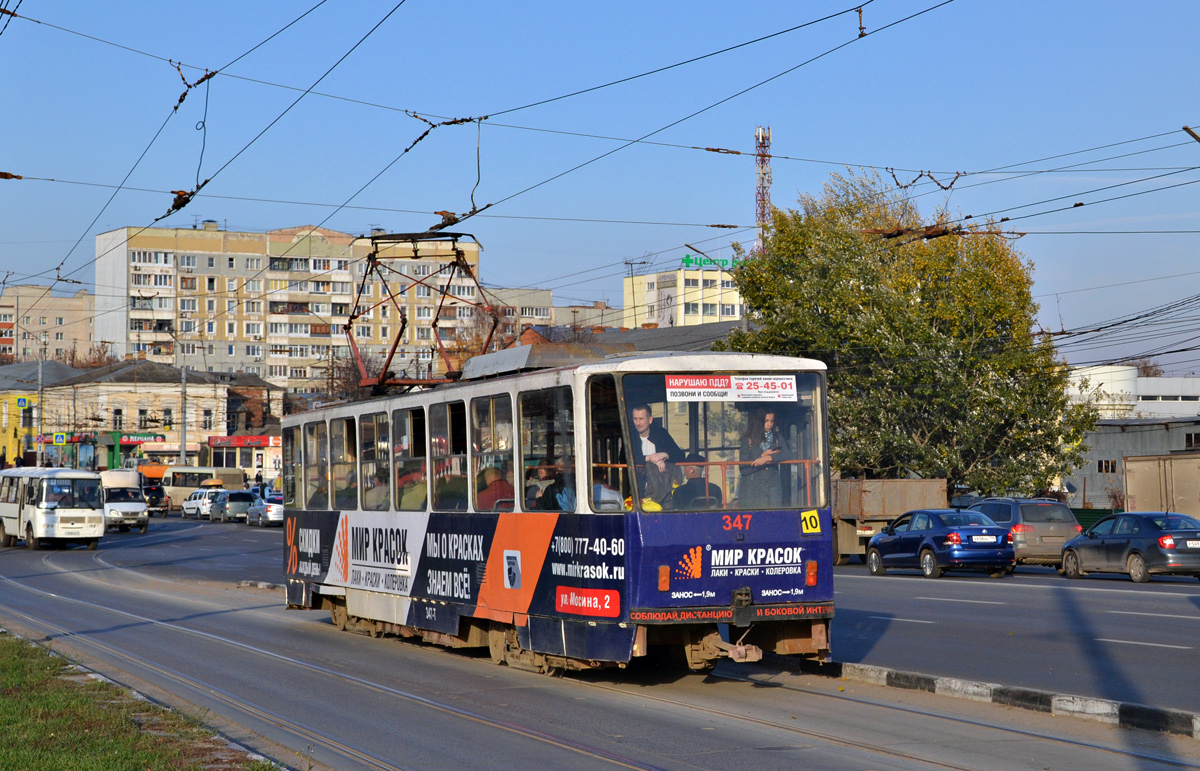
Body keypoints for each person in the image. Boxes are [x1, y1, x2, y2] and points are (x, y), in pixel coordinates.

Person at [629, 404, 684, 503]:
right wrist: (648, 458)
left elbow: (680, 456)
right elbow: (624, 458)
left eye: (641, 419)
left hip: (664, 494)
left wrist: (664, 455)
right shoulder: (629, 436)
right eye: (635, 419)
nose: (637, 423)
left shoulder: (661, 434)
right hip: (636, 493)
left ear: (650, 420)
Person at [739, 410, 790, 508]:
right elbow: (743, 469)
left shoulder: (777, 438)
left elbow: (787, 454)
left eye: (772, 421)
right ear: (759, 422)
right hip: (753, 488)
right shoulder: (748, 440)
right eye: (766, 421)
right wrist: (761, 457)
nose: (770, 424)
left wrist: (769, 457)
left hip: (773, 487)